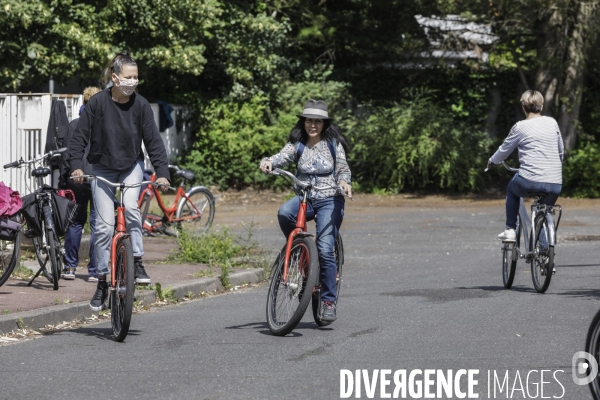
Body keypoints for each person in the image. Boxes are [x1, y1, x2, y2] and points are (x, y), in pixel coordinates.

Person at [69, 51, 170, 311]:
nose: (133, 82)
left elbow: (154, 143)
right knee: (103, 227)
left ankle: (136, 260)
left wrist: (162, 173)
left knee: (132, 208)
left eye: (136, 77)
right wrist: (77, 168)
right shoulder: (97, 104)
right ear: (115, 78)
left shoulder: (141, 105)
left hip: (130, 166)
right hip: (102, 167)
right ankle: (102, 281)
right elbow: (79, 139)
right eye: (128, 77)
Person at [259, 99, 352, 322]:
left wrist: (345, 182)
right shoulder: (297, 144)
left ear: (324, 124)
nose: (313, 125)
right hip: (305, 198)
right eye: (309, 120)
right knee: (284, 213)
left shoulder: (333, 144)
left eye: (317, 122)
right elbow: (280, 157)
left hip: (330, 199)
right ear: (304, 122)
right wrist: (268, 162)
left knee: (325, 247)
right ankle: (300, 252)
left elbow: (343, 169)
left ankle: (328, 301)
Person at [488, 90, 564, 242]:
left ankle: (510, 229)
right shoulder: (552, 123)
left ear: (523, 107)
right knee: (545, 212)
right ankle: (545, 256)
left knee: (512, 189)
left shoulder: (520, 126)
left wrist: (492, 161)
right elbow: (560, 151)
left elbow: (505, 149)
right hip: (555, 182)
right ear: (541, 106)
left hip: (529, 180)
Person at [59, 86, 101, 281]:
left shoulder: (75, 124)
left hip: (77, 179)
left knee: (75, 223)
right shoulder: (104, 124)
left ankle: (69, 268)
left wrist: (63, 180)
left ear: (83, 103)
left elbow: (67, 155)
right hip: (99, 179)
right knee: (97, 225)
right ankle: (94, 270)